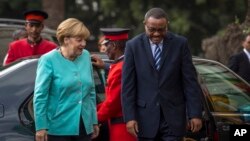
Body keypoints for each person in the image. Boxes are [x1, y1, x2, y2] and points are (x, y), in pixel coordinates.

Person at [121, 8, 203, 141]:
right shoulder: (133, 46)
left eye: (161, 29)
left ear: (167, 25)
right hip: (144, 119)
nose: (157, 34)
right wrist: (130, 117)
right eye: (152, 29)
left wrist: (195, 114)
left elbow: (190, 82)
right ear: (144, 25)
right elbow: (128, 86)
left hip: (173, 119)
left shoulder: (180, 44)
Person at [33, 18, 99, 141]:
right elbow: (40, 96)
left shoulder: (85, 56)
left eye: (84, 40)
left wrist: (93, 121)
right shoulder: (48, 60)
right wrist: (40, 126)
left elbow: (91, 92)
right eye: (79, 40)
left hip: (83, 127)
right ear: (66, 39)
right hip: (57, 128)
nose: (84, 44)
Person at [92, 28, 136, 141]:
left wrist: (93, 118)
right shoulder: (122, 65)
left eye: (107, 46)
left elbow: (113, 103)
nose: (105, 50)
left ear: (114, 45)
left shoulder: (121, 68)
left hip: (122, 128)